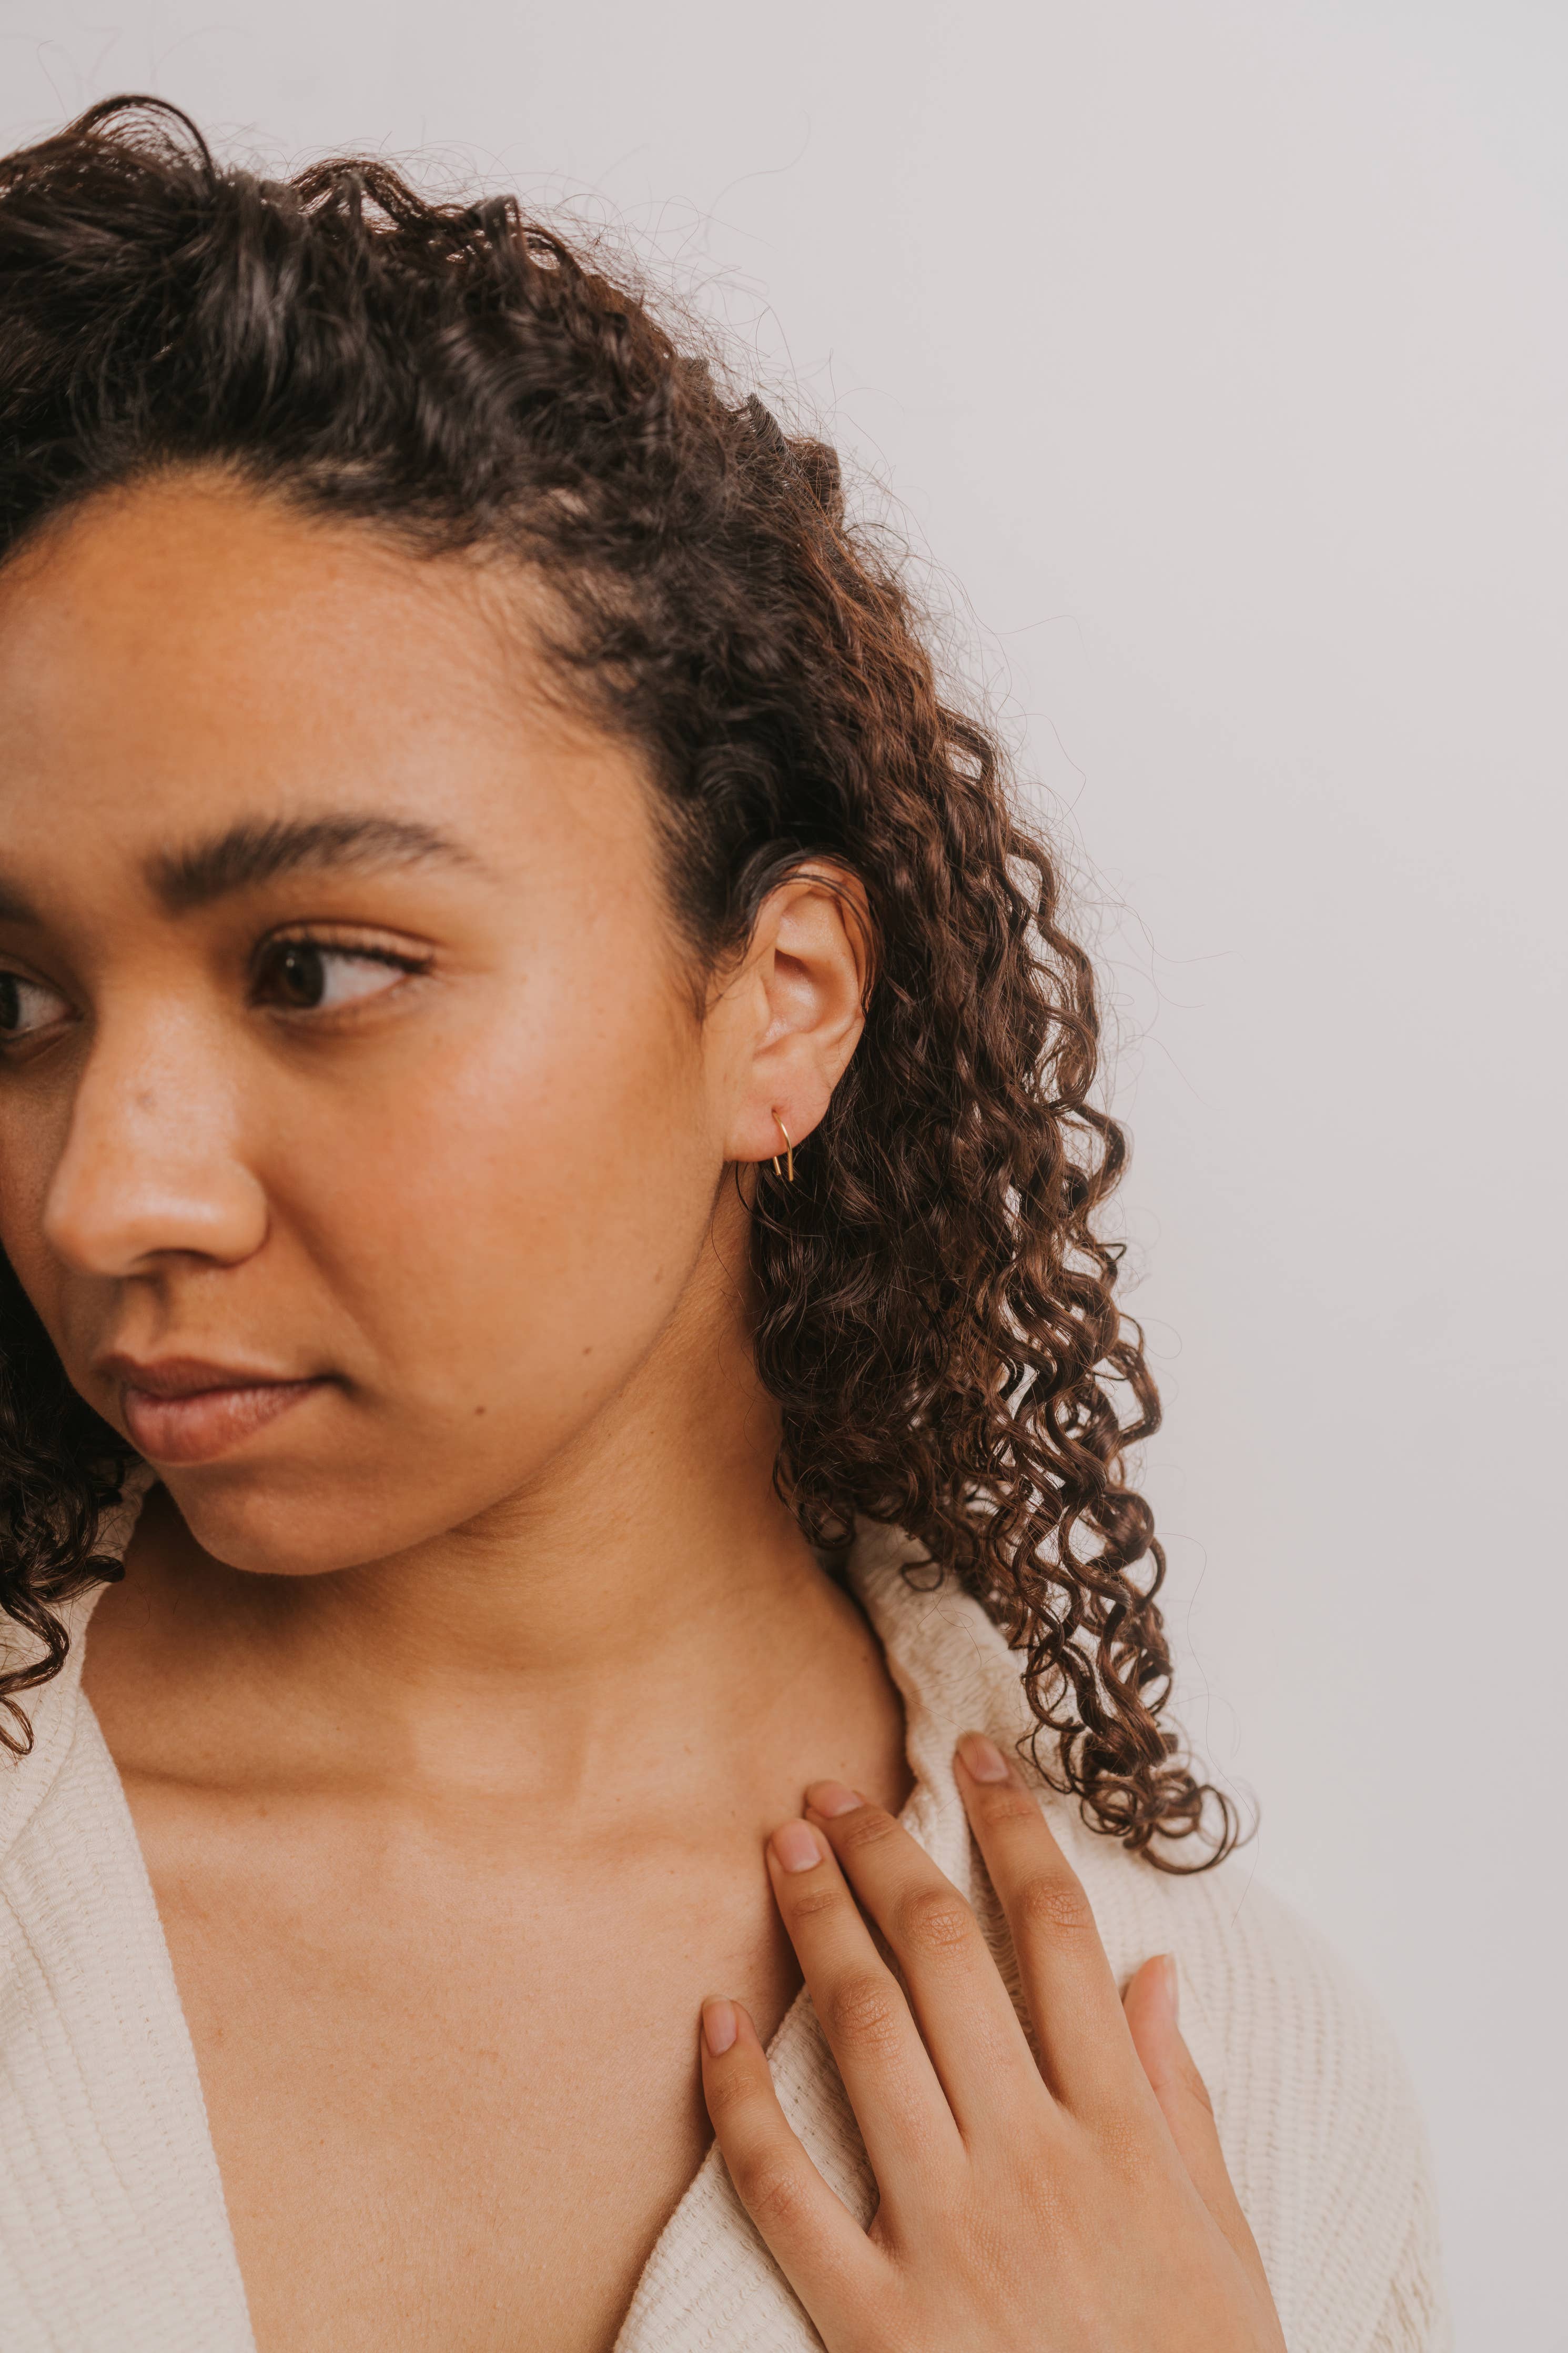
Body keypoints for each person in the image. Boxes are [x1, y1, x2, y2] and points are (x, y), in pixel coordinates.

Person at [0, 95, 1448, 2353]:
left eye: (317, 967)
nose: (107, 1188)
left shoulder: (1209, 2076)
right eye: (15, 1002)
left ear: (778, 1005)